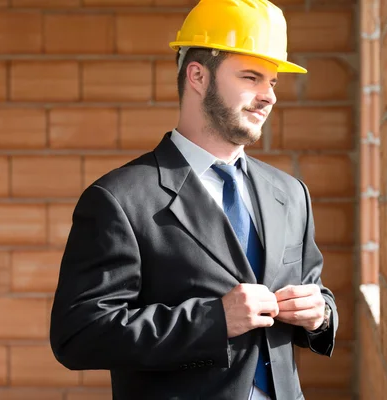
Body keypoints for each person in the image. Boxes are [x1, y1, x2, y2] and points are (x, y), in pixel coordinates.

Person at [49, 0, 338, 399]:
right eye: (252, 77)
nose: (269, 96)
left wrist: (320, 314)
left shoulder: (290, 193)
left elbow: (314, 290)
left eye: (272, 82)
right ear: (198, 76)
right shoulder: (119, 200)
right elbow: (79, 334)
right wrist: (212, 320)